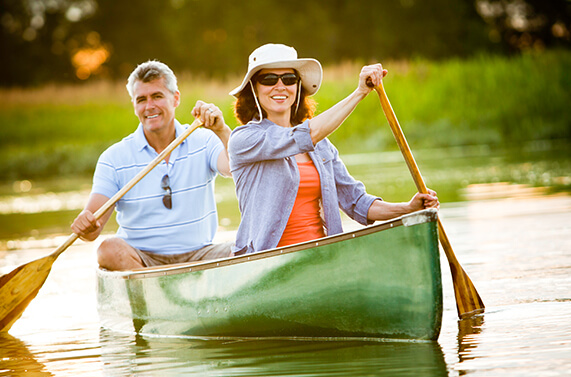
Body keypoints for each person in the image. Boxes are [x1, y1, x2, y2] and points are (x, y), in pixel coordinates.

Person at [228, 43, 439, 255]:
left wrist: (409, 208)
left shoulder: (321, 146)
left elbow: (357, 202)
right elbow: (304, 136)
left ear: (298, 86)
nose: (280, 86)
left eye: (289, 79)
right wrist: (359, 92)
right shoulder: (245, 139)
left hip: (323, 256)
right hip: (268, 261)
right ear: (254, 88)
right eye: (269, 79)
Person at [71, 60, 233, 270]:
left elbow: (234, 168)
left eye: (157, 96)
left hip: (201, 255)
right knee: (107, 250)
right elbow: (93, 230)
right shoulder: (113, 158)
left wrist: (222, 131)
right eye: (141, 99)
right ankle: (157, 295)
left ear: (175, 99)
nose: (149, 106)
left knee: (247, 246)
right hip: (142, 261)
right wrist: (85, 223)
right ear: (134, 105)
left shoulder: (204, 140)